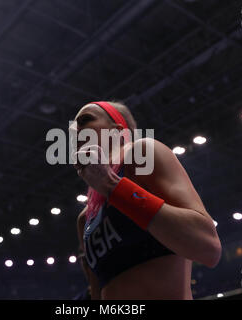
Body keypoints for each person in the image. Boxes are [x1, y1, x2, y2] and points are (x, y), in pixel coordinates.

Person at [72, 101, 221, 300]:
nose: (76, 130)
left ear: (117, 131)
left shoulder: (143, 153)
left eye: (85, 120)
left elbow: (208, 246)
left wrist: (111, 185)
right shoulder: (85, 219)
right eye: (73, 128)